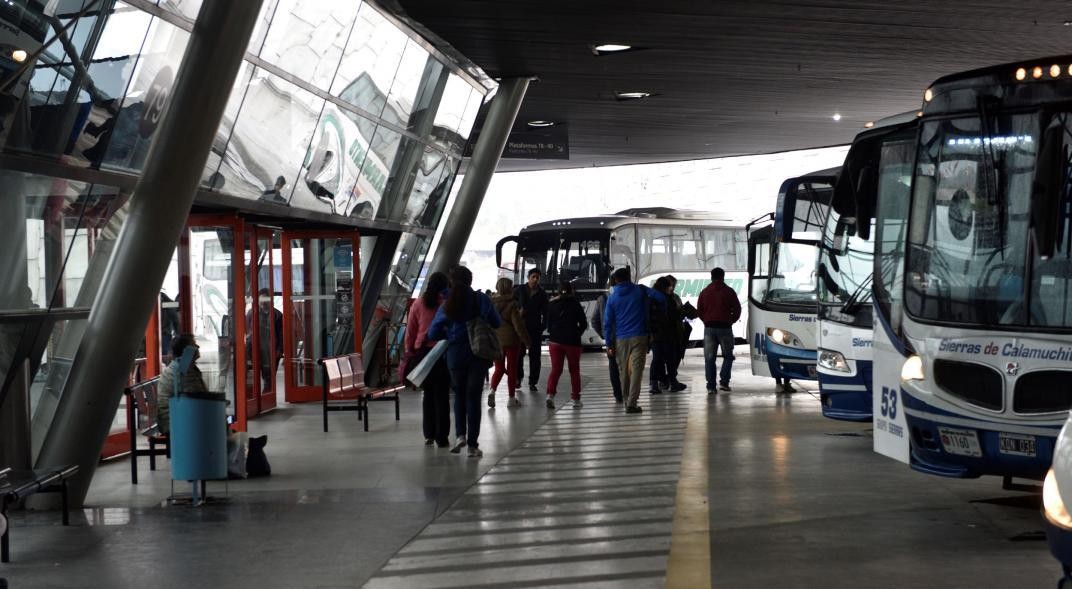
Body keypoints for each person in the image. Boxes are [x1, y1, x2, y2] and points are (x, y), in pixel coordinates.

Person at [428, 265, 501, 458]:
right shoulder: (480, 299)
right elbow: (497, 322)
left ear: (451, 282)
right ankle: (472, 445)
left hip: (455, 355)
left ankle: (460, 435)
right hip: (478, 355)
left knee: (459, 395)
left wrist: (450, 334)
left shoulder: (447, 303)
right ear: (470, 280)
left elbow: (433, 332)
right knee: (473, 398)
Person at [404, 271, 451, 447]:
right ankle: (442, 436)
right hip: (443, 352)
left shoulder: (419, 303)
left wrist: (409, 350)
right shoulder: (447, 303)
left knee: (428, 394)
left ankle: (428, 434)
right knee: (442, 395)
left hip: (422, 352)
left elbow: (411, 330)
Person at [603, 267, 652, 414]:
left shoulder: (612, 298)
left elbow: (607, 323)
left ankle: (626, 399)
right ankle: (632, 402)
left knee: (624, 370)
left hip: (621, 339)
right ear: (629, 277)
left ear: (616, 280)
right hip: (639, 336)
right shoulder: (640, 290)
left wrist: (608, 343)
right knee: (637, 370)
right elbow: (660, 297)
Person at [696, 267, 742, 393]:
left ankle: (711, 386)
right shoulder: (729, 291)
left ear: (711, 277)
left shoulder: (704, 292)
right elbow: (737, 309)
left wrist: (706, 320)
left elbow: (699, 310)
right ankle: (724, 382)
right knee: (728, 356)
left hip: (709, 328)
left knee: (710, 358)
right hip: (725, 328)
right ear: (723, 277)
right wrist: (730, 320)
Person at [545, 280, 588, 409]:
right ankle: (575, 399)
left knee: (556, 369)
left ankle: (550, 396)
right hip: (572, 342)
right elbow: (584, 324)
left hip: (555, 341)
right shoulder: (576, 304)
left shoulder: (552, 305)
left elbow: (548, 325)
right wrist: (576, 333)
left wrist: (555, 333)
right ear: (572, 291)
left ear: (558, 291)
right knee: (574, 371)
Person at [490, 277, 531, 408]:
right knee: (512, 369)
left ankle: (492, 390)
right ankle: (511, 399)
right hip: (512, 341)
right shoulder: (512, 304)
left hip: (497, 341)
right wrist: (527, 341)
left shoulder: (491, 303)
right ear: (509, 288)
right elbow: (518, 326)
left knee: (499, 368)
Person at [514, 268, 548, 392]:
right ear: (528, 277)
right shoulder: (519, 290)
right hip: (521, 327)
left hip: (535, 328)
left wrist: (543, 326)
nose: (535, 279)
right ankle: (518, 378)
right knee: (519, 354)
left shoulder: (542, 293)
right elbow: (512, 305)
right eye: (533, 277)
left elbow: (546, 311)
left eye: (537, 277)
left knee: (535, 356)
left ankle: (533, 381)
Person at [591, 274, 623, 403]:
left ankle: (618, 395)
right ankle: (627, 392)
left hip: (611, 339)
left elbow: (594, 320)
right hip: (626, 336)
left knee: (613, 366)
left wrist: (603, 334)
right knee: (627, 366)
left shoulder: (602, 299)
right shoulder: (625, 297)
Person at [246, 288, 284, 396]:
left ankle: (266, 397)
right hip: (255, 350)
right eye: (261, 301)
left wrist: (279, 350)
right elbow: (248, 332)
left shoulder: (277, 315)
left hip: (270, 350)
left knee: (269, 377)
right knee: (255, 376)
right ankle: (258, 398)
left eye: (265, 300)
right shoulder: (251, 313)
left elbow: (281, 334)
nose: (263, 303)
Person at [647, 277, 678, 395]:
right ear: (665, 286)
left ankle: (653, 384)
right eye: (669, 286)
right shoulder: (667, 299)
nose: (671, 288)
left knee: (657, 359)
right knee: (670, 359)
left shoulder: (651, 298)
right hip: (666, 333)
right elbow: (672, 316)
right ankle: (672, 382)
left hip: (654, 334)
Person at [665, 275, 690, 391]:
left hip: (678, 330)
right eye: (671, 284)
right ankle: (667, 380)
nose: (673, 287)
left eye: (674, 284)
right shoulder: (663, 298)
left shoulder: (676, 297)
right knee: (666, 358)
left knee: (677, 355)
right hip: (668, 332)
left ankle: (670, 379)